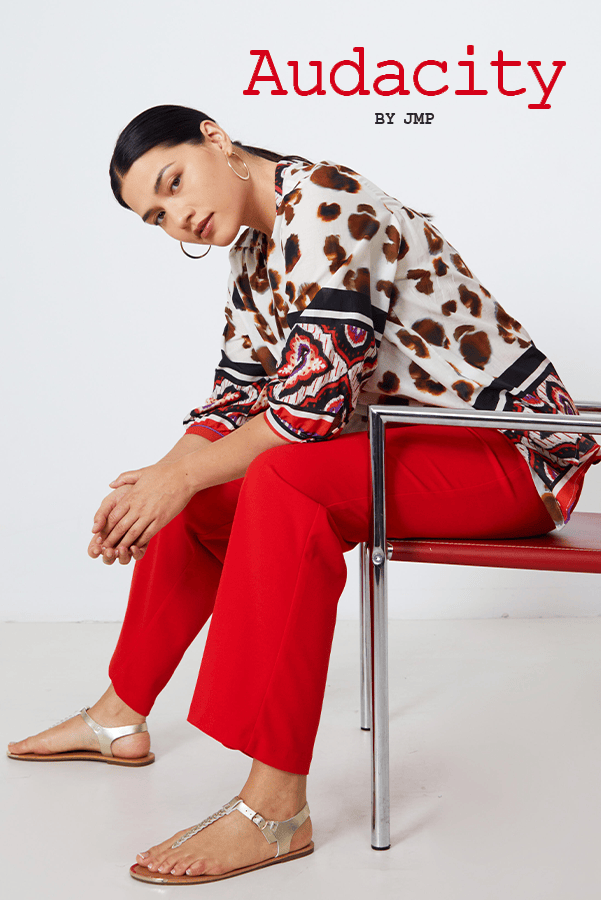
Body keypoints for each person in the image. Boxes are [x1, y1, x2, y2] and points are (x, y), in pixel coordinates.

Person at [7, 105, 601, 885]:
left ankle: (275, 808)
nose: (177, 218)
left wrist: (181, 475)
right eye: (156, 217)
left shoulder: (329, 202)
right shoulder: (253, 251)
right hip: (399, 445)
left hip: (509, 457)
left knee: (279, 481)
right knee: (201, 492)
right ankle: (119, 716)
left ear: (215, 137)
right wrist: (157, 482)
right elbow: (236, 398)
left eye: (173, 183)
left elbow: (306, 412)